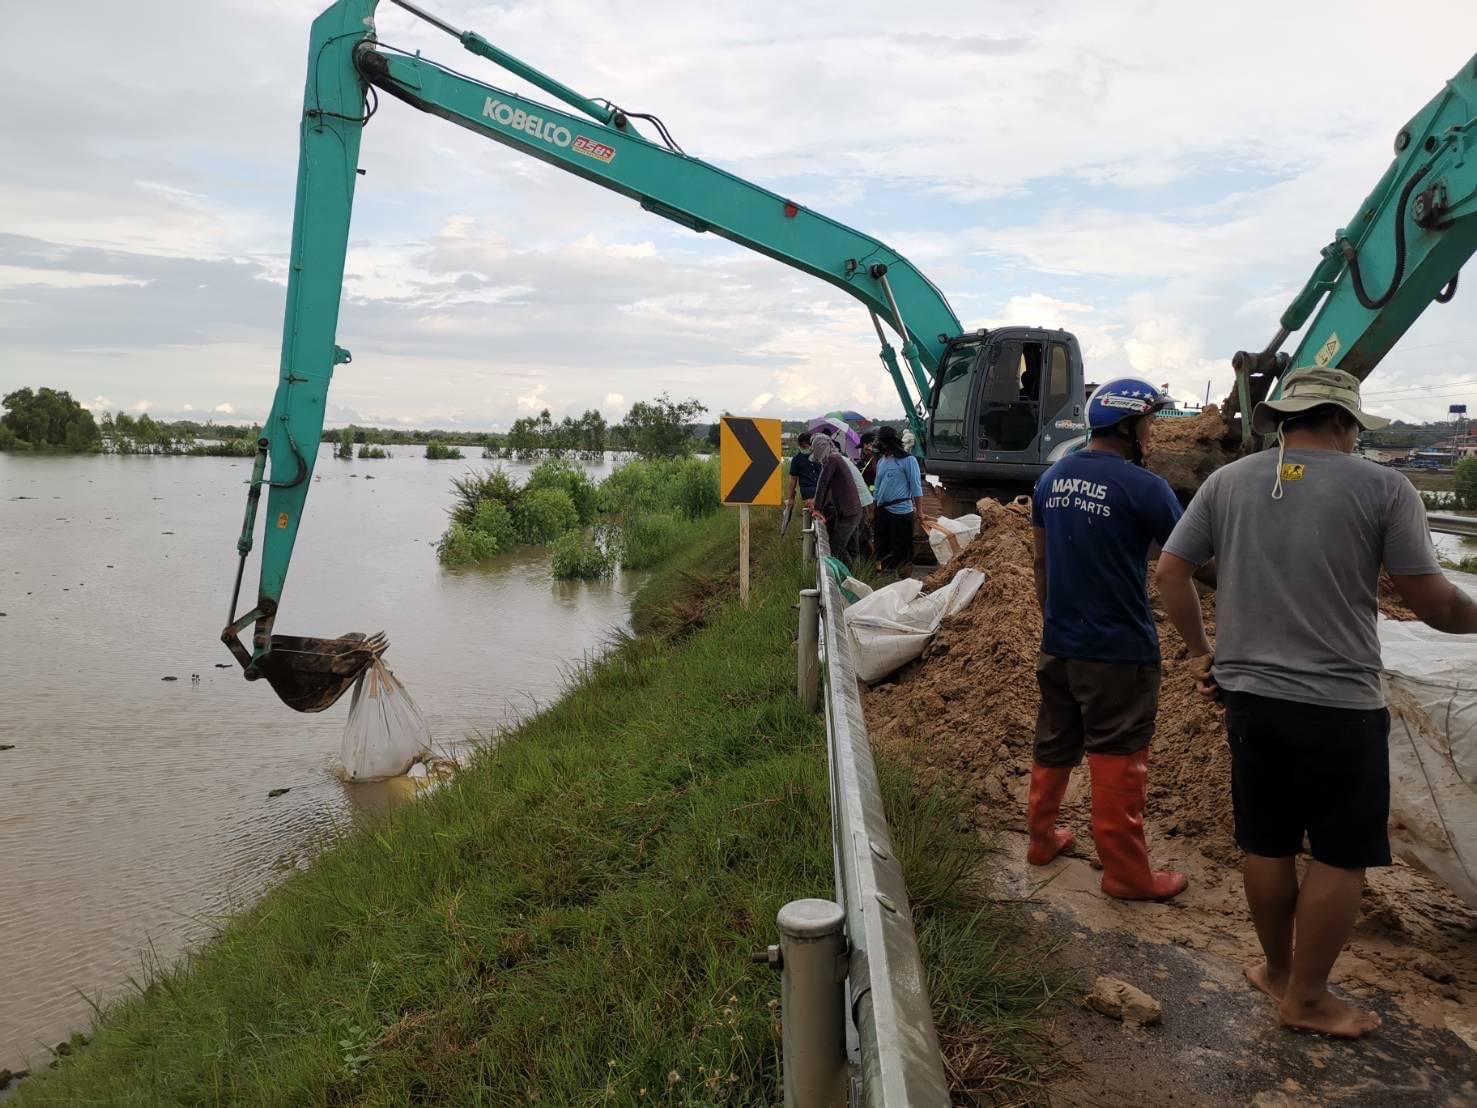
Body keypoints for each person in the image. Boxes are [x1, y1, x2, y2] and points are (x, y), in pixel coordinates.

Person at [1156, 366, 1477, 1039]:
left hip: (1247, 699)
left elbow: (1170, 571)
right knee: (1338, 853)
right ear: (1344, 422)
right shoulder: (1384, 487)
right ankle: (1307, 998)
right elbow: (1435, 604)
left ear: (1283, 419)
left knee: (1265, 842)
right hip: (1338, 704)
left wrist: (1196, 650)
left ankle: (1277, 974)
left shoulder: (1226, 482)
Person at [1028, 377, 1189, 901]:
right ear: (1128, 425)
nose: (1152, 433)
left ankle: (1040, 840)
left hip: (1060, 642)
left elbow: (1040, 560)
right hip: (1120, 649)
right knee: (1119, 750)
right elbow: (1186, 560)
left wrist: (1055, 619)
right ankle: (1125, 873)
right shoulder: (1146, 487)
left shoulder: (1051, 478)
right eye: (1149, 423)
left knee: (1055, 740)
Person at [870, 426, 923, 573]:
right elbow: (877, 487)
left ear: (887, 442)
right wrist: (874, 510)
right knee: (883, 548)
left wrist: (920, 512)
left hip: (900, 513)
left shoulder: (908, 460)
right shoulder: (882, 461)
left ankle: (903, 577)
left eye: (880, 441)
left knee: (901, 549)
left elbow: (916, 488)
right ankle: (887, 577)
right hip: (882, 512)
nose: (876, 444)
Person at [808, 433, 862, 566]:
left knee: (837, 547)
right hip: (853, 509)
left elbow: (823, 483)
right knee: (852, 548)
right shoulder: (837, 458)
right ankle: (856, 577)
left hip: (848, 512)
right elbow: (828, 489)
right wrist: (817, 505)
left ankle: (849, 577)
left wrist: (817, 509)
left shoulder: (832, 459)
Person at [786, 431, 821, 520]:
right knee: (813, 511)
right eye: (802, 446)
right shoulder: (797, 460)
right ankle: (810, 529)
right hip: (807, 490)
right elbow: (793, 479)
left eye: (806, 446)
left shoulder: (818, 456)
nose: (805, 448)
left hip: (820, 487)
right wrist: (790, 498)